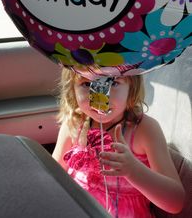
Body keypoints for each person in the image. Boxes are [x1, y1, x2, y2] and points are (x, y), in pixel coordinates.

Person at [52, 68, 185, 218]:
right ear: (72, 88)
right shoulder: (74, 125)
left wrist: (133, 170)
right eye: (87, 84)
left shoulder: (144, 129)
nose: (101, 96)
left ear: (132, 88)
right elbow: (51, 175)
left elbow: (175, 202)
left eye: (113, 82)